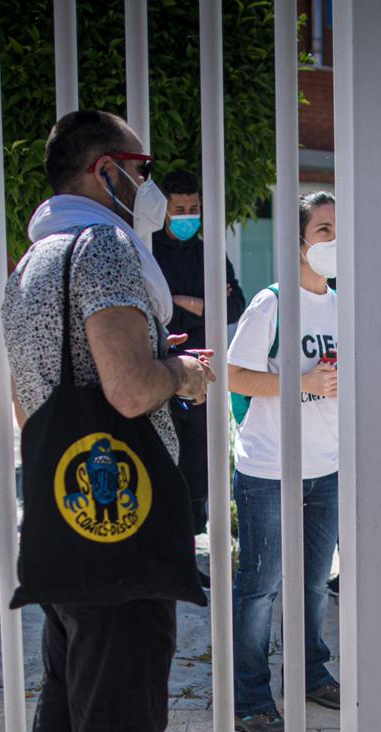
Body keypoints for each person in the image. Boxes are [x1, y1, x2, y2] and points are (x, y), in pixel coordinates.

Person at [3, 109, 224, 732]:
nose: (152, 181)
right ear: (106, 170)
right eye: (142, 163)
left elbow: (33, 404)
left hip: (62, 523)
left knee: (66, 715)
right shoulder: (100, 251)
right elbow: (131, 390)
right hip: (123, 531)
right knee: (119, 724)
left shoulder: (31, 263)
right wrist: (190, 374)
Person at [225, 191, 345, 732]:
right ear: (297, 242)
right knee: (260, 588)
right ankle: (250, 698)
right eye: (323, 230)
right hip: (271, 468)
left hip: (326, 466)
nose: (333, 241)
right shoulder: (272, 304)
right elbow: (234, 375)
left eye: (337, 230)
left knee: (315, 583)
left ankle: (310, 673)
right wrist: (301, 383)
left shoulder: (341, 304)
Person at [153, 169, 247, 545]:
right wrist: (207, 305)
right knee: (164, 461)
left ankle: (192, 553)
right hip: (161, 370)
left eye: (194, 207)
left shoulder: (210, 252)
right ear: (165, 210)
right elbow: (151, 314)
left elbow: (235, 305)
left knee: (198, 463)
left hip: (204, 374)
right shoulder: (149, 249)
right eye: (180, 208)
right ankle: (167, 548)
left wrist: (177, 301)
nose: (188, 214)